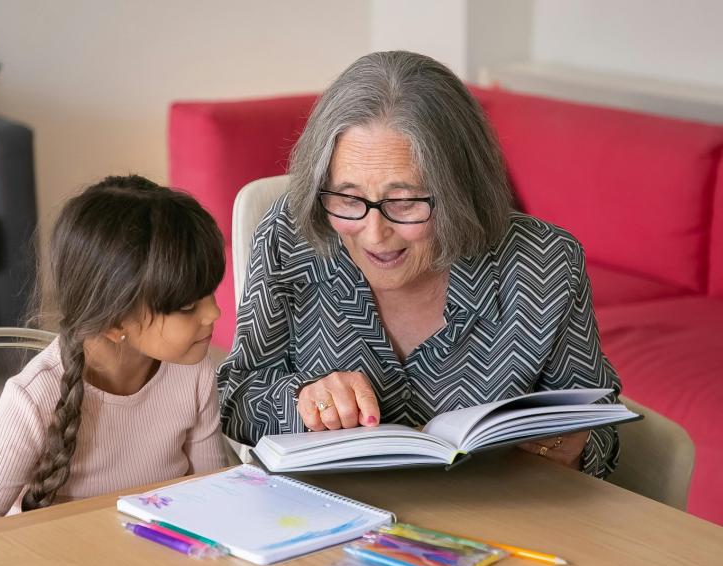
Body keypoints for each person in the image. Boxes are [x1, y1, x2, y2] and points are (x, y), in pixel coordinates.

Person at [219, 50, 621, 477]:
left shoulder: (545, 263)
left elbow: (600, 423)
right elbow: (236, 396)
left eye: (405, 202)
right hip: (329, 508)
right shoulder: (291, 235)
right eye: (348, 199)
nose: (374, 234)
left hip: (494, 511)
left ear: (460, 191)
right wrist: (302, 400)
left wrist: (572, 446)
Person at [0, 175, 229, 530]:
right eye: (186, 306)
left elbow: (214, 496)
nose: (214, 313)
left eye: (210, 292)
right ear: (114, 322)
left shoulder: (193, 370)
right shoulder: (35, 397)